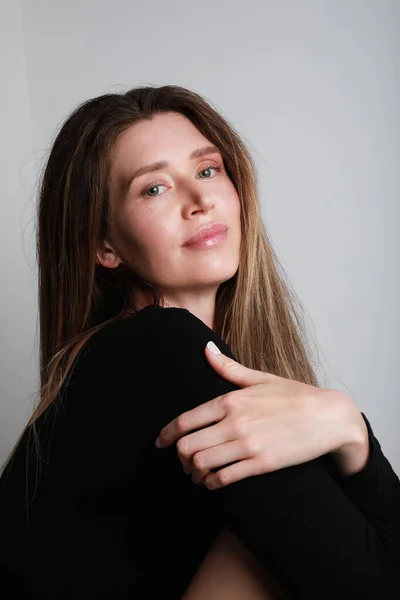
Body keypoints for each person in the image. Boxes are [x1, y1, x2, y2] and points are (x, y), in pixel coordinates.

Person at [0, 84, 399, 600]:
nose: (200, 200)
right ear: (105, 245)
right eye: (154, 189)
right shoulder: (154, 349)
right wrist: (349, 428)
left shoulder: (154, 363)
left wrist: (349, 434)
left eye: (208, 170)